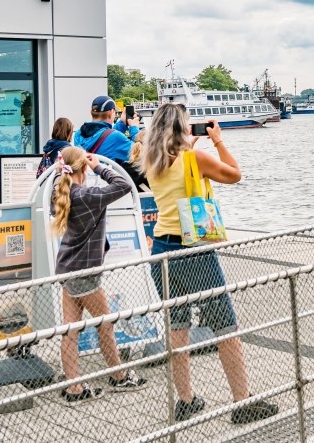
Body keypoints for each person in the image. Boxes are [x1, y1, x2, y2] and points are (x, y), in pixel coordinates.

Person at [133, 103, 278, 424]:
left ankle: (185, 400)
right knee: (225, 326)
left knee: (178, 327)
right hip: (195, 250)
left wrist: (191, 147)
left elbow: (178, 176)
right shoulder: (193, 159)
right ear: (183, 129)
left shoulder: (153, 162)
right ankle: (243, 402)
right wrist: (219, 141)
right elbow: (234, 174)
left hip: (162, 251)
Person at [50, 146, 148, 402]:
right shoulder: (87, 195)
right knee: (106, 324)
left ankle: (73, 387)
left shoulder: (61, 192)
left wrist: (75, 167)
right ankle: (119, 376)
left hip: (67, 269)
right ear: (83, 167)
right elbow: (124, 184)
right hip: (85, 272)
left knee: (71, 330)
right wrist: (99, 167)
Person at [74, 95, 147, 187]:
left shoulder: (78, 134)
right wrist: (134, 128)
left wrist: (121, 123)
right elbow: (141, 153)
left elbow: (104, 135)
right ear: (110, 113)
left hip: (85, 184)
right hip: (108, 187)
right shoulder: (116, 137)